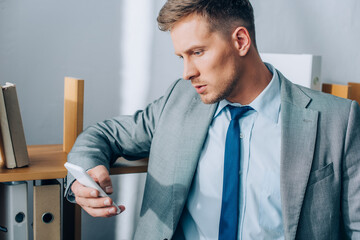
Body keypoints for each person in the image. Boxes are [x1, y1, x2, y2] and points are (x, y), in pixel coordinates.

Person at [65, 0, 360, 239]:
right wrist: (85, 177)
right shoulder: (179, 100)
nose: (187, 72)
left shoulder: (338, 120)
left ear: (240, 40)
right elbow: (104, 134)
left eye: (197, 52)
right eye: (181, 56)